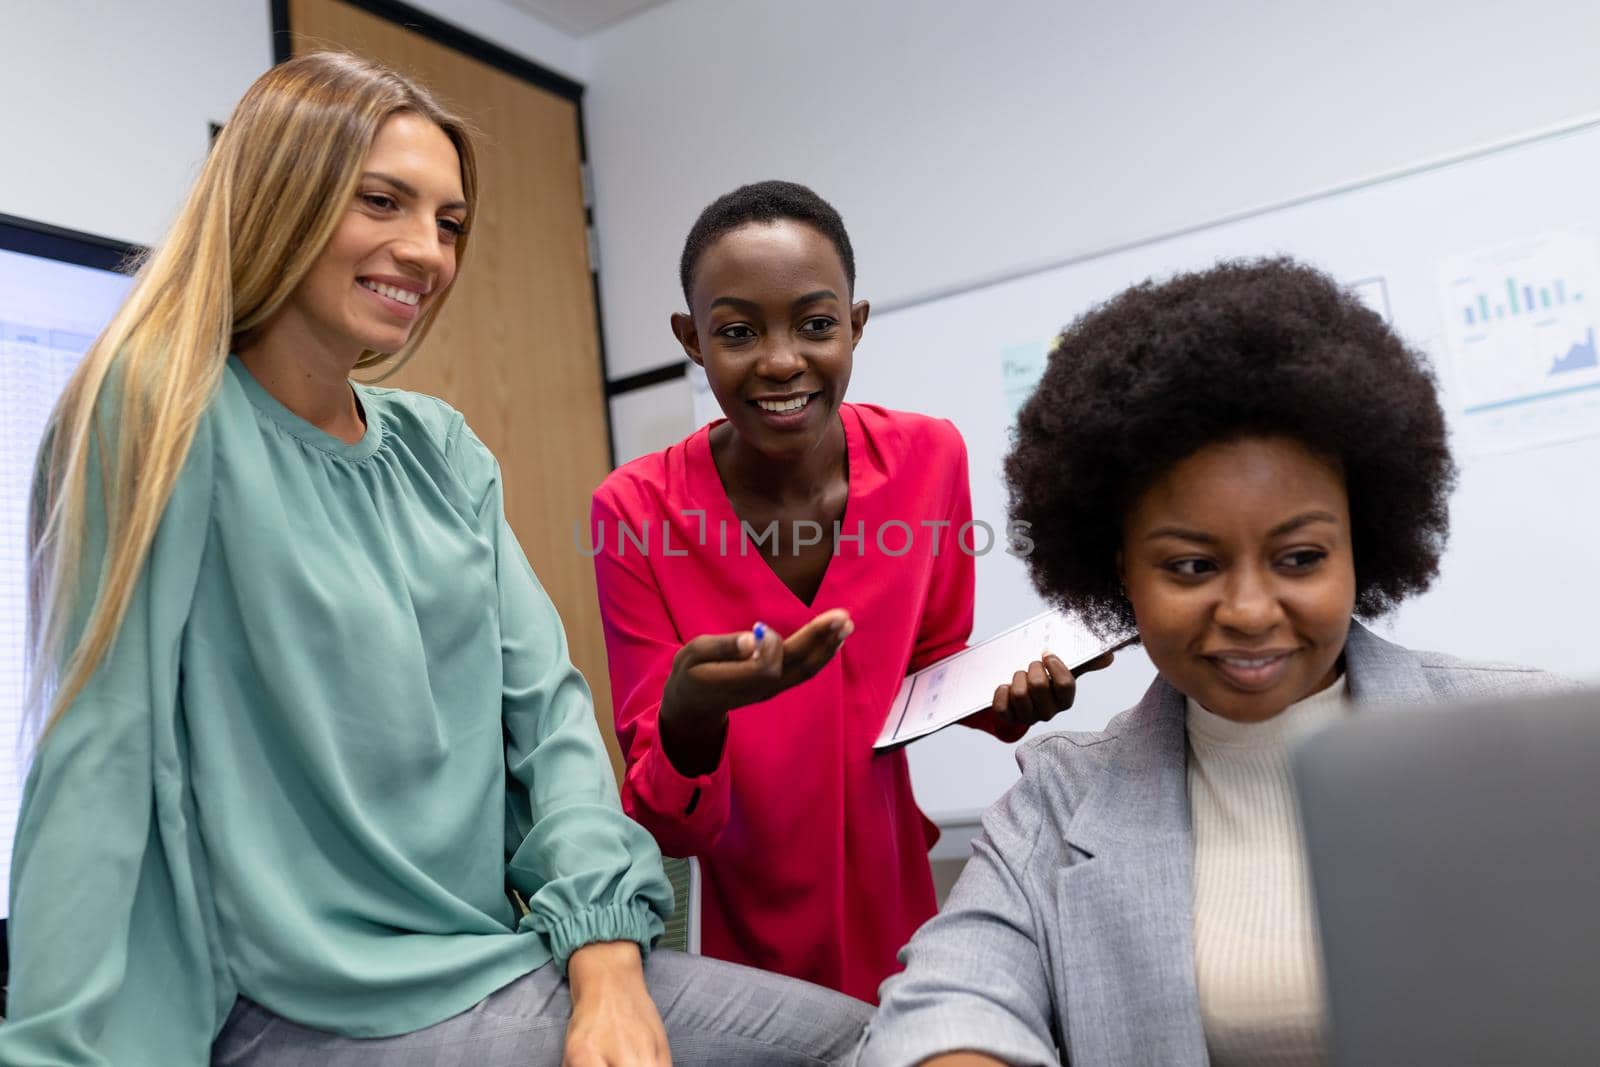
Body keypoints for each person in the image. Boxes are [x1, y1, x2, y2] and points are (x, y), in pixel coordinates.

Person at [0, 53, 870, 1067]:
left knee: (879, 1038)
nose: (425, 251)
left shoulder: (440, 448)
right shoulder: (162, 413)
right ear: (281, 195)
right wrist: (57, 1047)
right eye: (383, 201)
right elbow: (102, 750)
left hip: (499, 963)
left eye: (449, 222)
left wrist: (604, 960)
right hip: (303, 1006)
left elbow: (548, 721)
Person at [856, 258, 1575, 1066]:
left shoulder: (1537, 742)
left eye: (1300, 558)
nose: (1249, 610)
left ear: (1361, 546)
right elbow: (943, 1005)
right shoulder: (1057, 804)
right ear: (1120, 568)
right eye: (1192, 566)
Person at [589, 181, 1109, 1004]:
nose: (782, 359)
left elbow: (927, 664)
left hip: (885, 893)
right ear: (692, 339)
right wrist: (692, 713)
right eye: (736, 331)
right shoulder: (634, 509)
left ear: (856, 325)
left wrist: (1006, 702)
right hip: (728, 925)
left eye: (816, 324)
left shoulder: (928, 458)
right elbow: (666, 816)